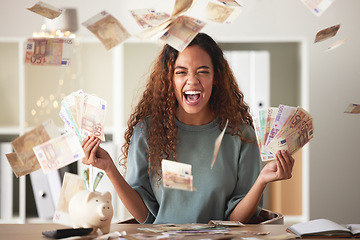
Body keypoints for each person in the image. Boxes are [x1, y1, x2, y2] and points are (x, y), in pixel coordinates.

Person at [81, 32, 295, 224]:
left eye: (202, 72)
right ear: (169, 79)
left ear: (216, 78)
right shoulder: (147, 132)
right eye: (181, 72)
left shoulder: (241, 135)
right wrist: (109, 167)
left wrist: (262, 181)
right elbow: (145, 216)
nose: (192, 80)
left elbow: (236, 220)